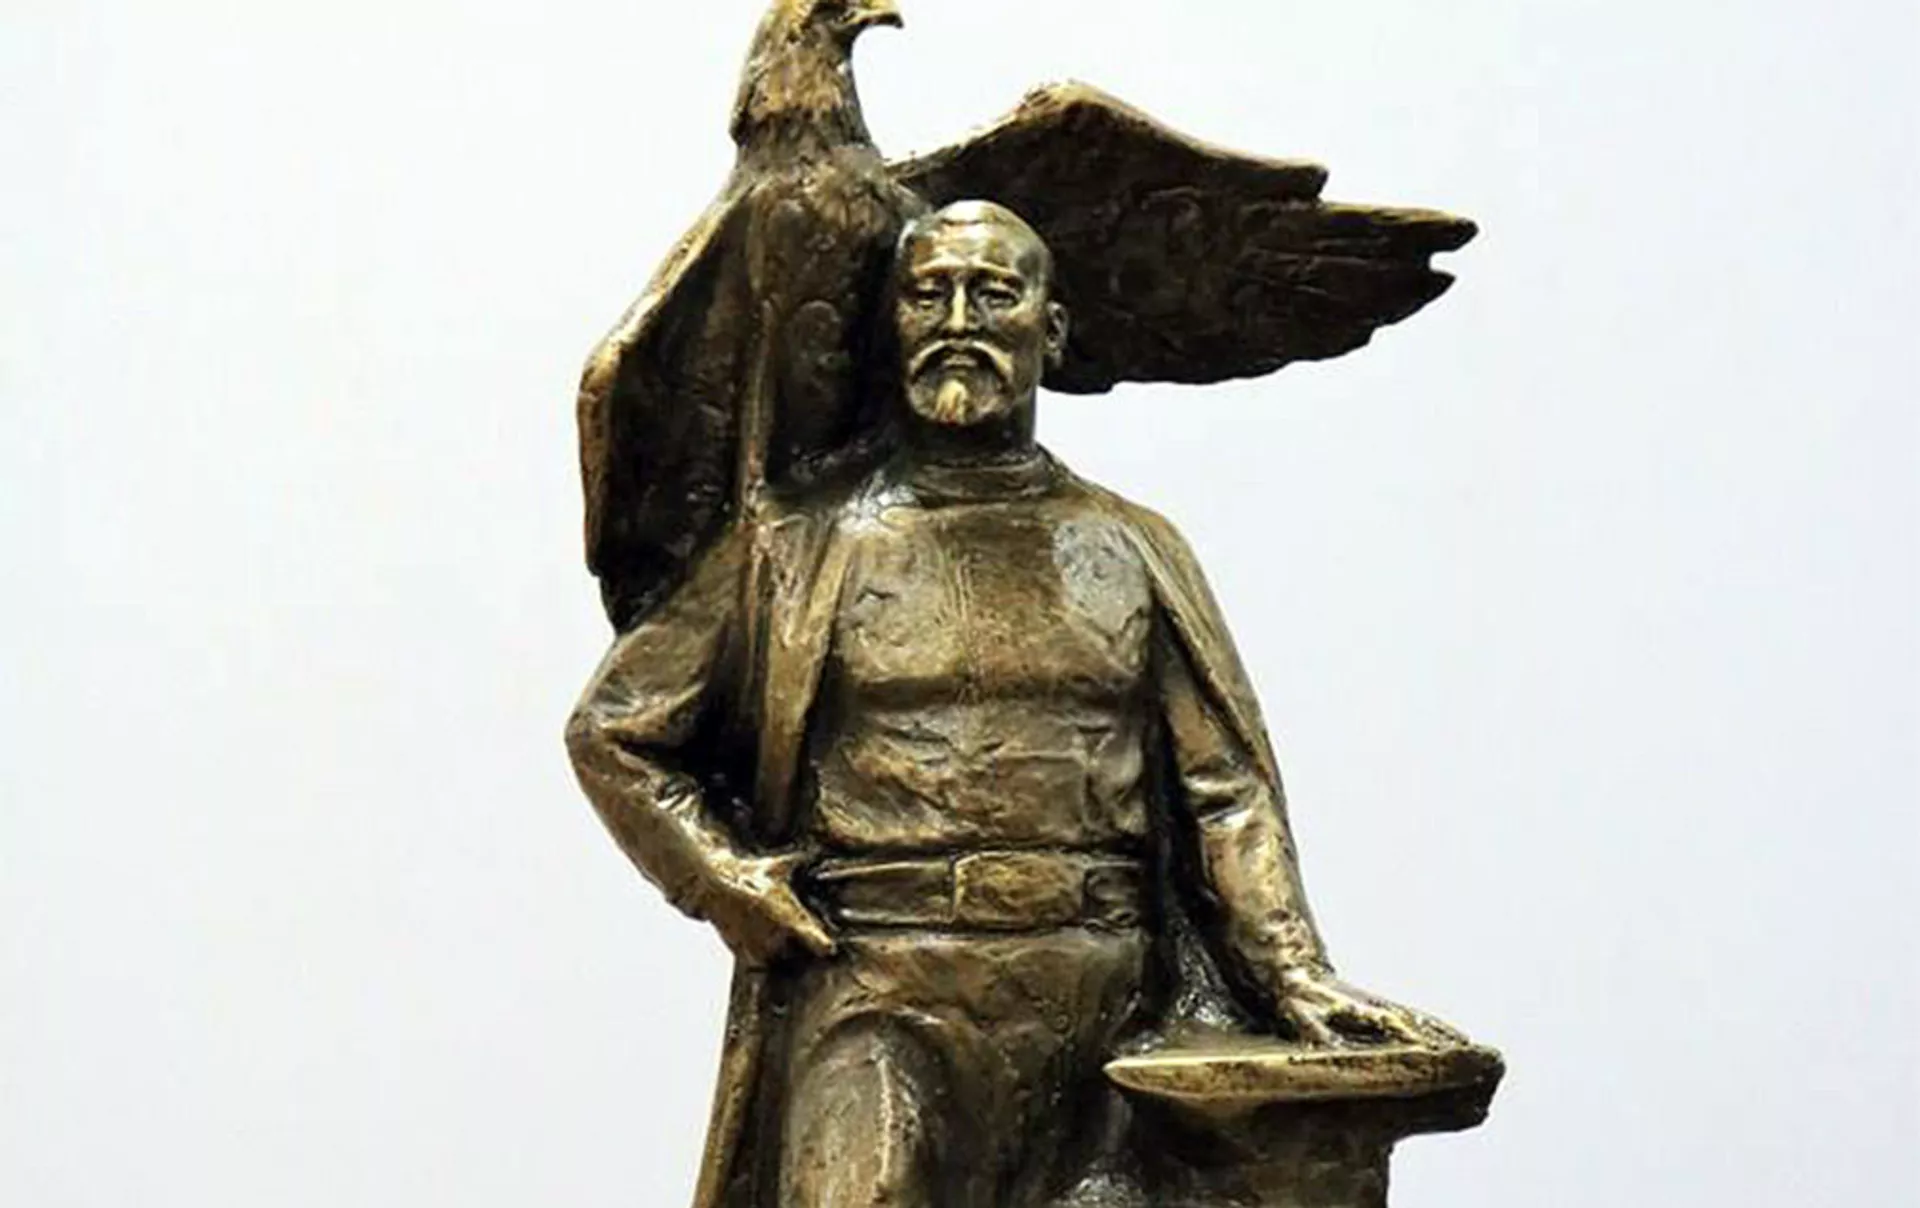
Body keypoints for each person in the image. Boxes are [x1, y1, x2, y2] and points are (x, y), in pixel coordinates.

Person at [566, 201, 1456, 1208]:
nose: (959, 322)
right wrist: (721, 880)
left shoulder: (1131, 546)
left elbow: (1223, 790)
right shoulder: (795, 545)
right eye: (928, 295)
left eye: (993, 294)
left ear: (1052, 329)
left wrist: (1295, 975)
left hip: (1107, 1005)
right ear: (890, 328)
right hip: (878, 992)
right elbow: (615, 728)